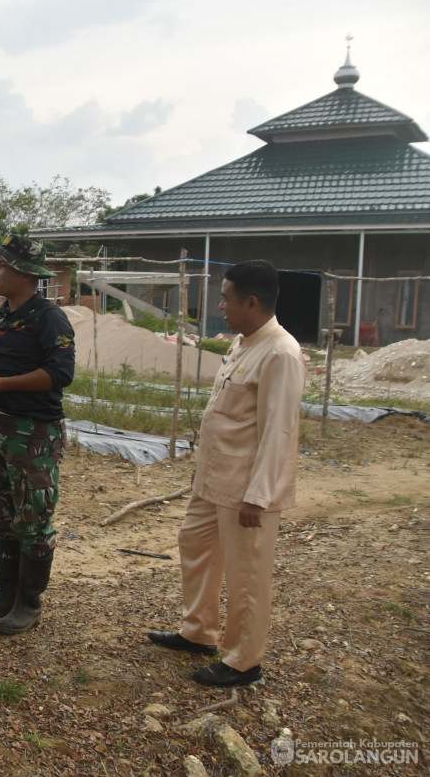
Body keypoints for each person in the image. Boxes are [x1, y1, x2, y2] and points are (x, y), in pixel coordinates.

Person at [148, 260, 305, 687]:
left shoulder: (280, 353)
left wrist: (261, 494)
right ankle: (198, 631)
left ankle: (243, 660)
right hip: (213, 478)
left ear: (252, 302)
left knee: (247, 572)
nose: (221, 305)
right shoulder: (244, 342)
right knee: (194, 545)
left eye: (226, 298)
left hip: (246, 488)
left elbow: (280, 429)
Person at [0, 234, 75, 635]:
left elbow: (61, 373)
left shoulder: (49, 318)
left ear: (27, 274)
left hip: (34, 432)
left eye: (3, 266)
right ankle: (4, 596)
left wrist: (3, 385)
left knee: (33, 514)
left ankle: (29, 603)